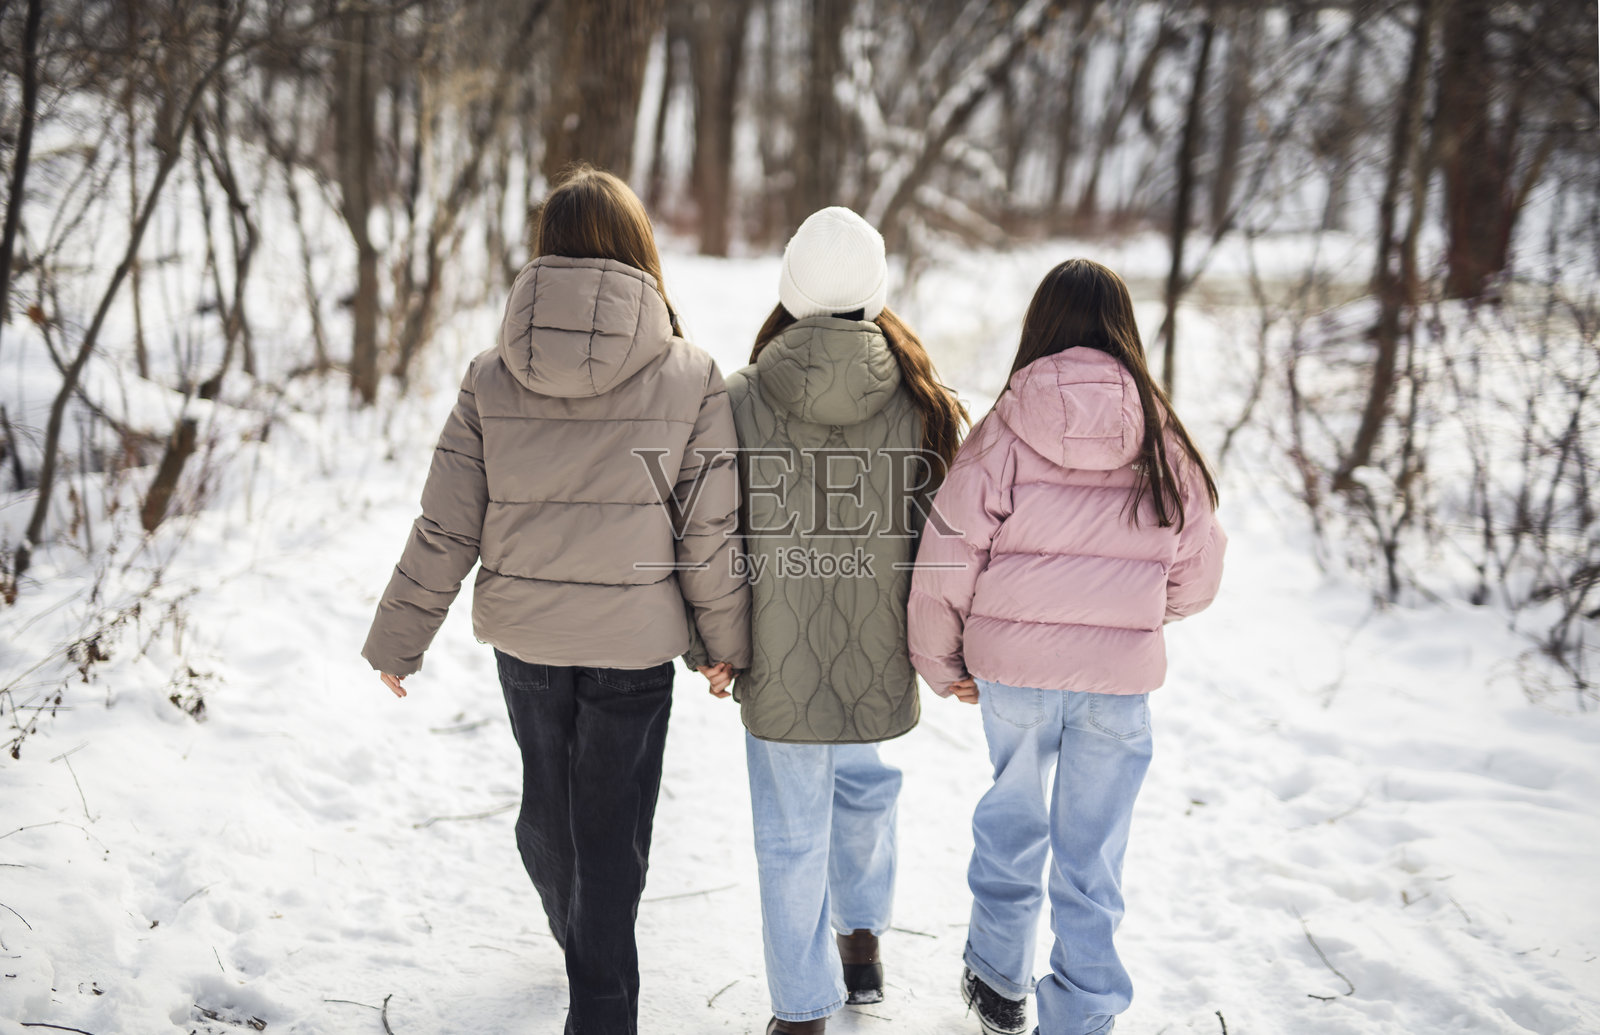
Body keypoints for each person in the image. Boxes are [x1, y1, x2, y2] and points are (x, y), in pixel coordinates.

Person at [361, 166, 750, 1035]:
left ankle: (579, 939)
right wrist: (723, 642)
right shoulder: (691, 374)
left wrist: (399, 637)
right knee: (612, 829)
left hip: (528, 642)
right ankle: (601, 999)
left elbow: (446, 523)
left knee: (548, 808)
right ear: (639, 250)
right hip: (633, 648)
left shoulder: (490, 376)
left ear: (545, 251)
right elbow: (709, 533)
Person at [908, 258, 1226, 1035]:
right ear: (1124, 328)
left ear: (1041, 324)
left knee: (1013, 819)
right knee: (1093, 853)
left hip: (1014, 673)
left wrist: (942, 661)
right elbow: (1199, 568)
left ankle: (997, 977)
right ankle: (1081, 1012)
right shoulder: (1162, 435)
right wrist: (1133, 616)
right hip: (1116, 684)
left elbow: (948, 552)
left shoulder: (1005, 428)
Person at [719, 207, 967, 1035]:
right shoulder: (922, 401)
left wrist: (713, 643)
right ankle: (860, 943)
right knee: (864, 786)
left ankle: (802, 1012)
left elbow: (713, 534)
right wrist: (948, 646)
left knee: (790, 833)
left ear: (790, 289)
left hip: (779, 659)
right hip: (878, 652)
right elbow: (942, 544)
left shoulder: (740, 397)